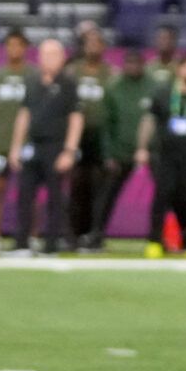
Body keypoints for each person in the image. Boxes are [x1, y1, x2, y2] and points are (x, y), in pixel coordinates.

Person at [135, 52, 186, 260]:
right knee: (162, 196)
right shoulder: (163, 92)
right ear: (180, 68)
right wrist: (142, 147)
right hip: (165, 154)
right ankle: (155, 241)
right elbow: (149, 121)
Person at [6, 38, 84, 257]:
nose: (48, 59)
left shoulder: (68, 84)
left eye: (53, 55)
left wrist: (69, 150)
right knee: (24, 194)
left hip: (56, 145)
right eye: (45, 54)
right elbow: (24, 114)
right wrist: (15, 147)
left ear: (62, 57)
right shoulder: (32, 81)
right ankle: (22, 242)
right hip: (33, 144)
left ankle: (51, 244)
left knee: (55, 197)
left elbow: (76, 118)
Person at [0, 29, 34, 250]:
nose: (14, 49)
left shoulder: (33, 75)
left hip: (27, 143)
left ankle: (29, 235)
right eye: (10, 45)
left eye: (18, 45)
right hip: (1, 142)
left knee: (28, 193)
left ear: (25, 48)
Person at [68, 24, 115, 251]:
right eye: (89, 42)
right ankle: (73, 234)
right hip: (77, 136)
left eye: (98, 42)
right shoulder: (73, 71)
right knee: (77, 186)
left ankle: (94, 234)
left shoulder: (110, 73)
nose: (93, 46)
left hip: (101, 135)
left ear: (104, 47)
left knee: (99, 188)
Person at [103, 45, 155, 246]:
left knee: (164, 194)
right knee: (107, 195)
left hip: (151, 151)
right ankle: (96, 233)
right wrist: (108, 154)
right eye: (129, 63)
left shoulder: (154, 85)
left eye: (137, 63)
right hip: (120, 150)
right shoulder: (114, 86)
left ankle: (160, 236)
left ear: (144, 65)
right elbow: (106, 124)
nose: (133, 67)